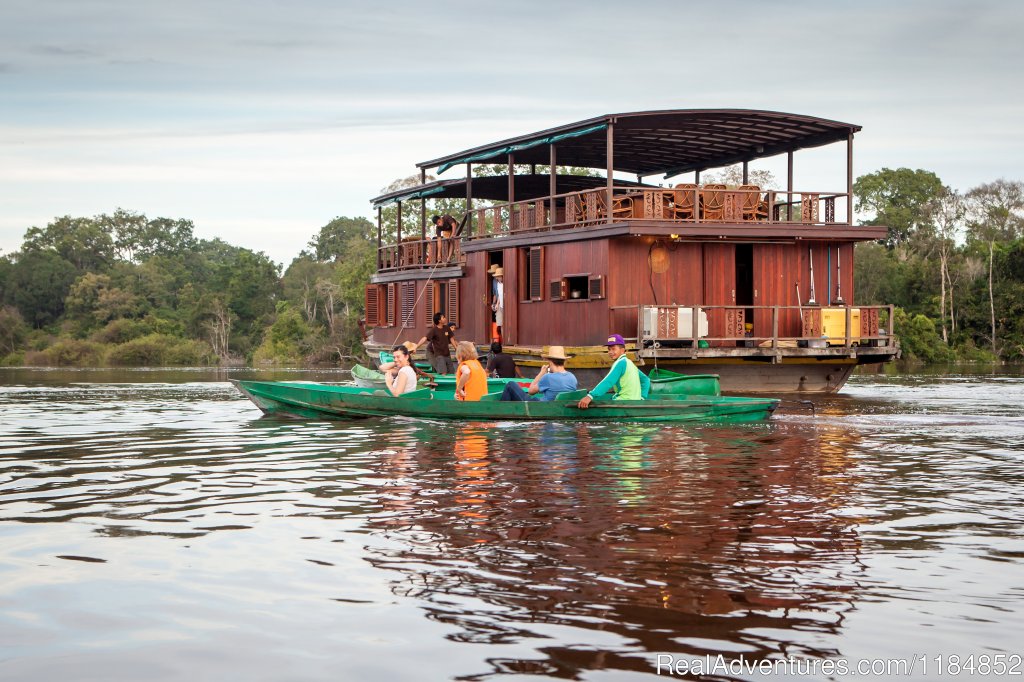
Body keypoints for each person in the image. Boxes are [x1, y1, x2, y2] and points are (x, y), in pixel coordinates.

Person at [577, 334, 650, 408]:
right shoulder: (630, 363)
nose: (610, 352)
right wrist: (642, 398)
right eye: (609, 349)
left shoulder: (620, 363)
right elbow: (646, 380)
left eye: (613, 349)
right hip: (635, 403)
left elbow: (608, 381)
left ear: (622, 350)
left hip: (623, 402)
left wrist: (590, 396)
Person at [500, 346, 577, 402]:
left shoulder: (548, 377)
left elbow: (530, 391)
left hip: (538, 406)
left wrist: (541, 373)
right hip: (556, 406)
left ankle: (500, 411)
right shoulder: (572, 377)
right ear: (563, 361)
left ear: (550, 361)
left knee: (510, 384)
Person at [491, 267, 504, 339]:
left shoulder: (505, 283)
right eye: (496, 277)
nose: (497, 278)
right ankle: (503, 340)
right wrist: (497, 304)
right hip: (500, 305)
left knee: (506, 323)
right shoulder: (498, 283)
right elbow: (498, 295)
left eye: (498, 276)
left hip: (506, 306)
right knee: (500, 324)